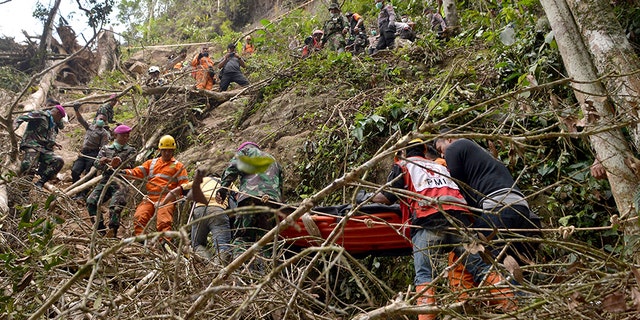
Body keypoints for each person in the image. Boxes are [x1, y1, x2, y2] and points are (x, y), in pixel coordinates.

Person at [371, 139, 516, 318]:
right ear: (424, 151)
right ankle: (512, 307)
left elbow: (387, 197)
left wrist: (367, 198)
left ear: (402, 153)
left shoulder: (403, 166)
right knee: (481, 267)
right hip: (459, 222)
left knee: (424, 276)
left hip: (428, 222)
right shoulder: (441, 167)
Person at [435, 132, 542, 264]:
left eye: (440, 149)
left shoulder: (454, 147)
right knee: (516, 263)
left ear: (449, 139)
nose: (442, 155)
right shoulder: (481, 152)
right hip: (521, 206)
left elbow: (458, 185)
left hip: (497, 206)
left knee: (490, 262)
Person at [215, 142, 283, 250]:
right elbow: (280, 185)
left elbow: (232, 169)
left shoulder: (246, 152)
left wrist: (223, 190)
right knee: (266, 239)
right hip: (272, 201)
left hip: (250, 197)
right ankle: (267, 265)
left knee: (243, 237)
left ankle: (242, 266)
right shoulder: (273, 159)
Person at [163, 169, 238, 260]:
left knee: (197, 244)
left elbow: (177, 190)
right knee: (223, 246)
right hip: (218, 211)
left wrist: (162, 203)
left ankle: (208, 263)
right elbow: (238, 197)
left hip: (199, 211)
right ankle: (219, 267)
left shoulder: (202, 181)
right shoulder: (226, 182)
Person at [122, 135, 188, 236]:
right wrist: (124, 172)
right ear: (160, 150)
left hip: (167, 198)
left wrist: (182, 198)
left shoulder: (178, 166)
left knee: (164, 221)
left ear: (173, 151)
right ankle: (140, 241)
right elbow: (136, 172)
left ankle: (165, 243)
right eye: (164, 150)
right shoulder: (151, 163)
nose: (167, 153)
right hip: (150, 198)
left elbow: (184, 185)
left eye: (169, 150)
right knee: (139, 217)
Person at [86, 125, 137, 237]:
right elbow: (96, 164)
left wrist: (117, 164)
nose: (126, 138)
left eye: (127, 136)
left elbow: (130, 165)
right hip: (106, 180)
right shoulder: (106, 149)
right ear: (115, 135)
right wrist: (103, 163)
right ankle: (100, 230)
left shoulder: (131, 150)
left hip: (121, 181)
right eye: (123, 135)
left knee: (116, 206)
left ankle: (112, 232)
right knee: (91, 201)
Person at [14, 103, 66, 189]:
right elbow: (21, 118)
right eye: (60, 118)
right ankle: (23, 189)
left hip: (43, 149)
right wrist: (13, 128)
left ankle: (40, 182)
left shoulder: (52, 122)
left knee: (58, 161)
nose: (59, 120)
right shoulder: (41, 114)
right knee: (29, 166)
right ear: (57, 113)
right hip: (31, 145)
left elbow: (44, 136)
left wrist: (53, 143)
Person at [70, 105, 110, 190]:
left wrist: (100, 157)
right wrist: (76, 110)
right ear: (96, 119)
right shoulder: (89, 126)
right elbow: (81, 120)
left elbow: (104, 147)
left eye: (104, 120)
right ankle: (75, 189)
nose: (102, 121)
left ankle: (83, 193)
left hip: (93, 154)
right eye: (100, 119)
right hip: (83, 153)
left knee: (88, 174)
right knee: (75, 171)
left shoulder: (104, 133)